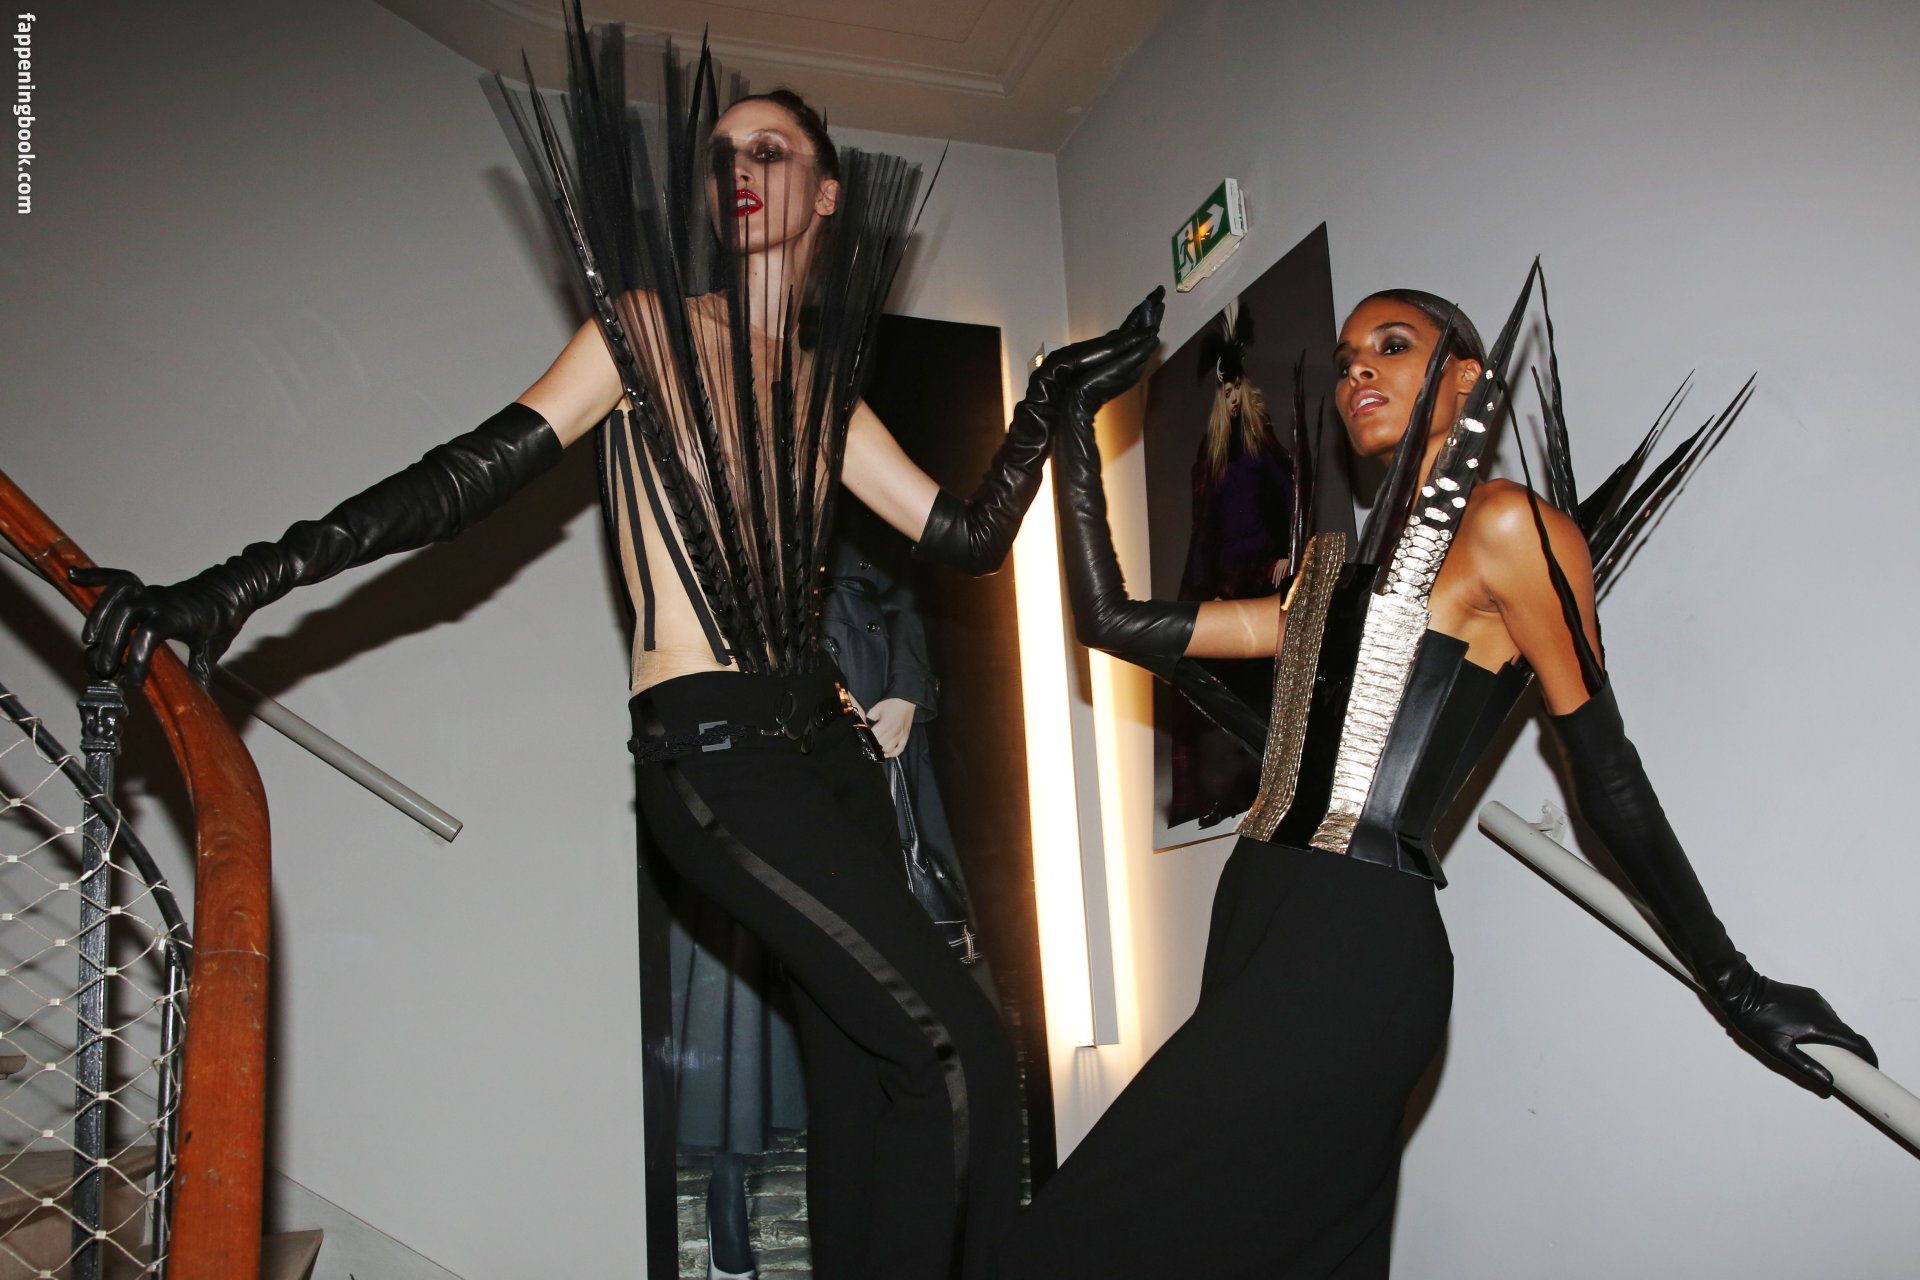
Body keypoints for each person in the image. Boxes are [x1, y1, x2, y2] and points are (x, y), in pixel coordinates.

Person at [70, 20, 1164, 1280]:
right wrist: (235, 585)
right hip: (719, 750)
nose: (739, 168)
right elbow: (462, 477)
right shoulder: (644, 332)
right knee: (954, 1042)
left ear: (827, 193)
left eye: (770, 149)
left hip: (838, 755)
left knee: (869, 1081)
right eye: (722, 154)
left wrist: (1050, 401)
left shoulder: (825, 394)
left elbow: (967, 538)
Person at [1004, 273, 1876, 1278]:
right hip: (1256, 915)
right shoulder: (1324, 575)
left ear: (1466, 380)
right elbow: (1113, 622)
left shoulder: (1510, 528)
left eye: (1392, 346)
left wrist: (1736, 984)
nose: (1358, 373)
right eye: (1345, 362)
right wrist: (1071, 417)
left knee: (1077, 1238)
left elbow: (1608, 774)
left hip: (1356, 941)